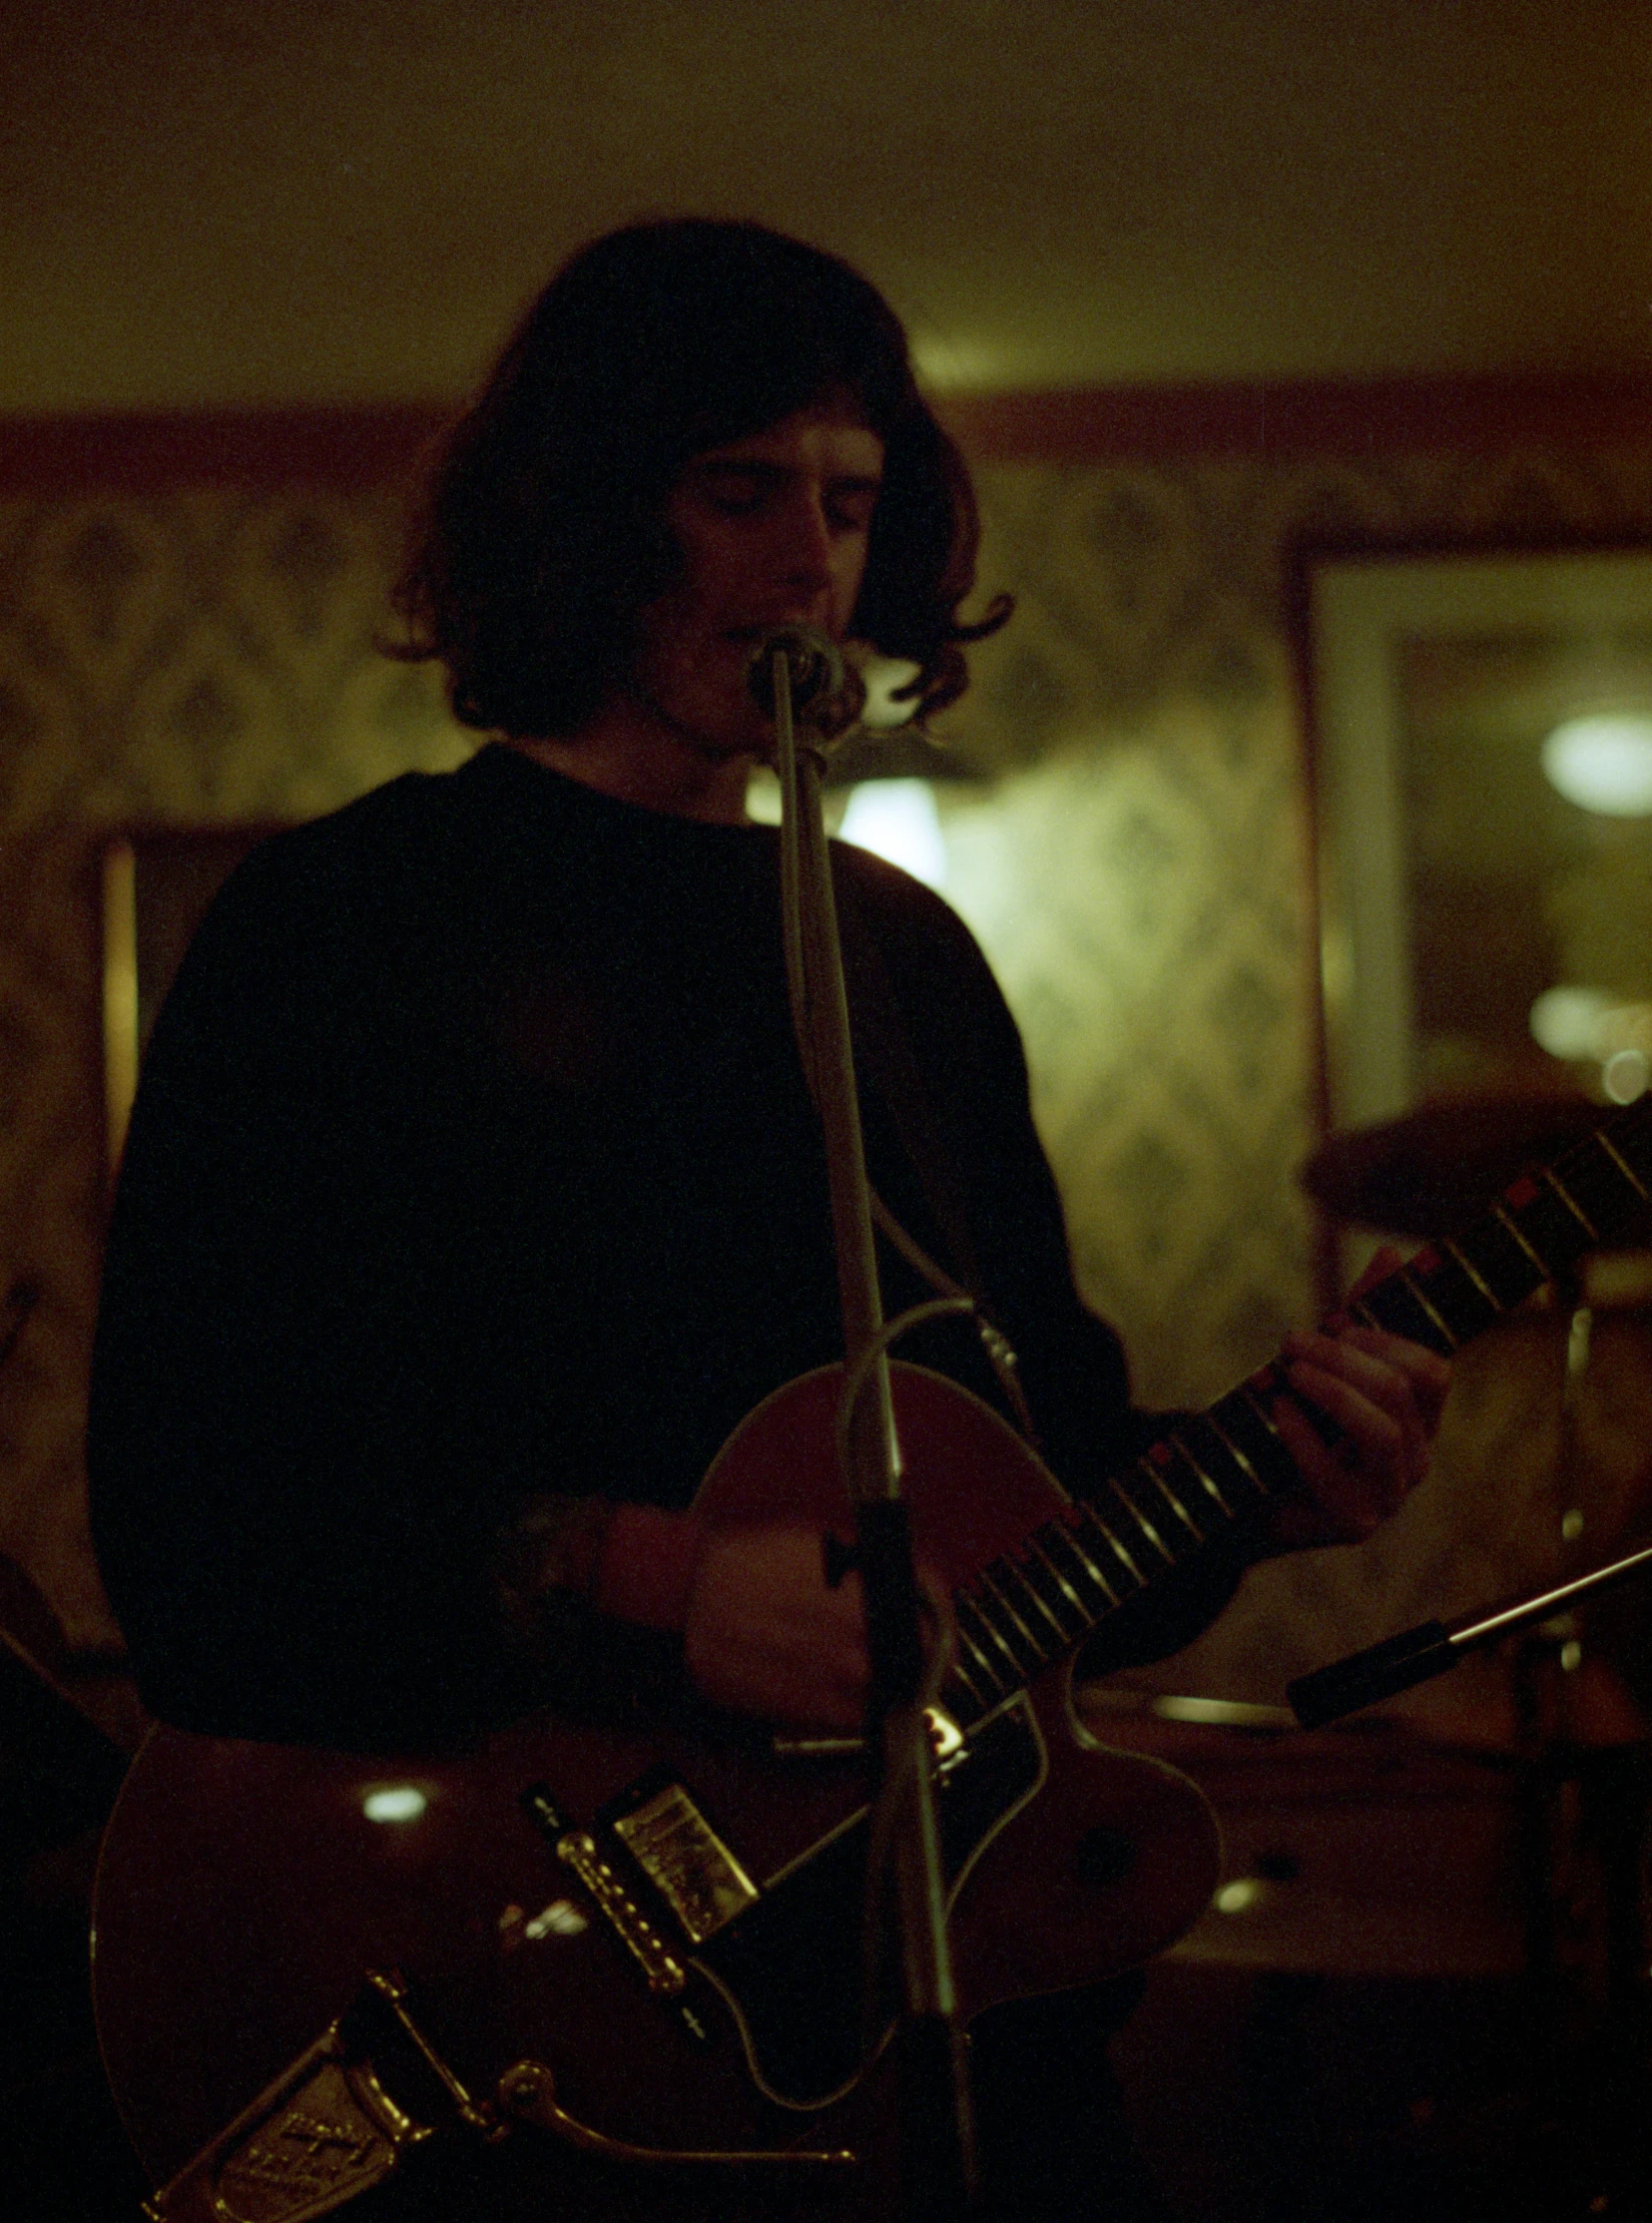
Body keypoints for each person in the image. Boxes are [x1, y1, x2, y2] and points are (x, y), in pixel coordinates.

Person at [87, 220, 1449, 2219]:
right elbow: (196, 1534)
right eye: (739, 492)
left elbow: (1038, 1519)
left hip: (943, 2031)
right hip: (501, 1996)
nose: (809, 559)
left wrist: (1270, 1487)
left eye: (846, 500)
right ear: (582, 514)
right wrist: (647, 1573)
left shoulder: (907, 962)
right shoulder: (343, 928)